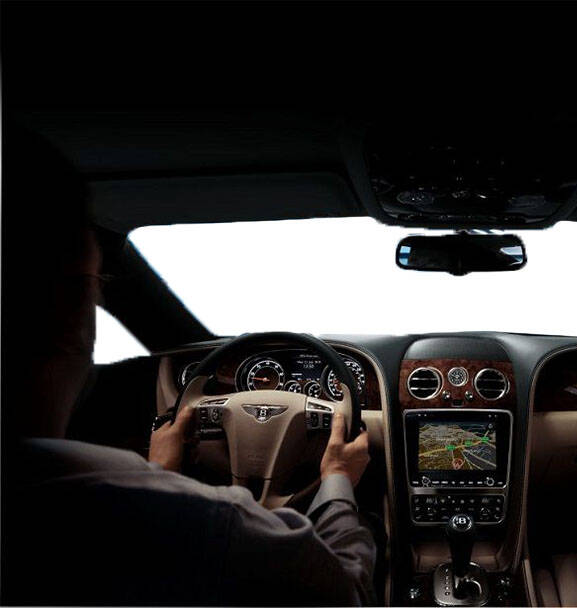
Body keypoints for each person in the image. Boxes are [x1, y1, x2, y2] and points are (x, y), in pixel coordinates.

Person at [1, 126, 377, 605]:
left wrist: (159, 472)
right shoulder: (211, 527)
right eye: (97, 283)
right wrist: (339, 480)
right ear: (70, 309)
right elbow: (349, 591)